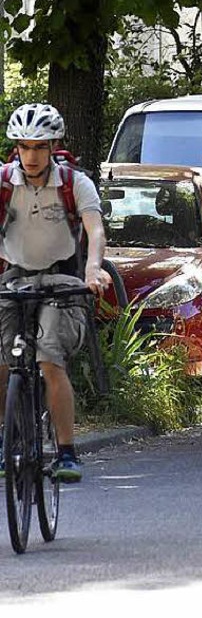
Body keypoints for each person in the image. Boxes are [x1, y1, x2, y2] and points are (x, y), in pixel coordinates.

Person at [0, 103, 111, 483]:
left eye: (40, 147)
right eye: (24, 146)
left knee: (49, 360)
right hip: (13, 278)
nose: (31, 156)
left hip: (62, 280)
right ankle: (5, 438)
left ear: (54, 146)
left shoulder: (74, 183)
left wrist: (93, 269)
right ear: (16, 147)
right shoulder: (2, 183)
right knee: (1, 361)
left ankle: (66, 452)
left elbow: (94, 230)